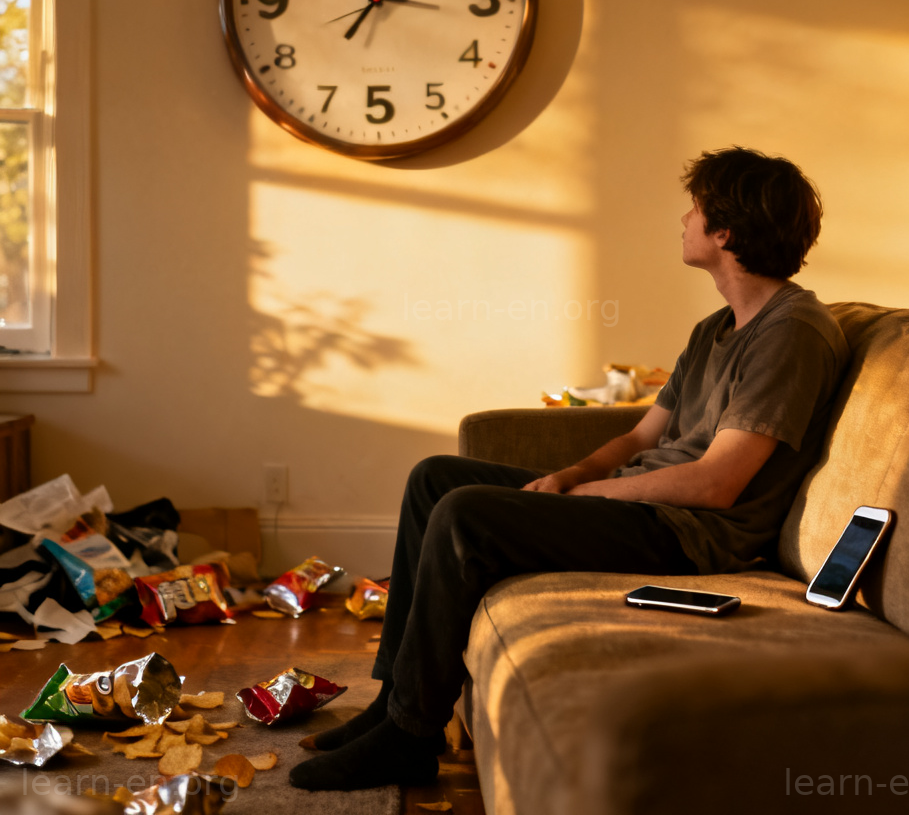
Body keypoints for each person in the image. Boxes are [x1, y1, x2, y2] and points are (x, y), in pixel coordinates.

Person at [290, 146, 851, 792]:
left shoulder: (793, 332)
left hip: (692, 532)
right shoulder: (714, 328)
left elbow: (717, 483)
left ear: (725, 231)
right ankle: (392, 705)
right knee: (436, 478)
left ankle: (412, 736)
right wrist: (569, 476)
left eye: (696, 208)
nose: (683, 218)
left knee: (465, 514)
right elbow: (642, 433)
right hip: (647, 504)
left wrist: (596, 493)